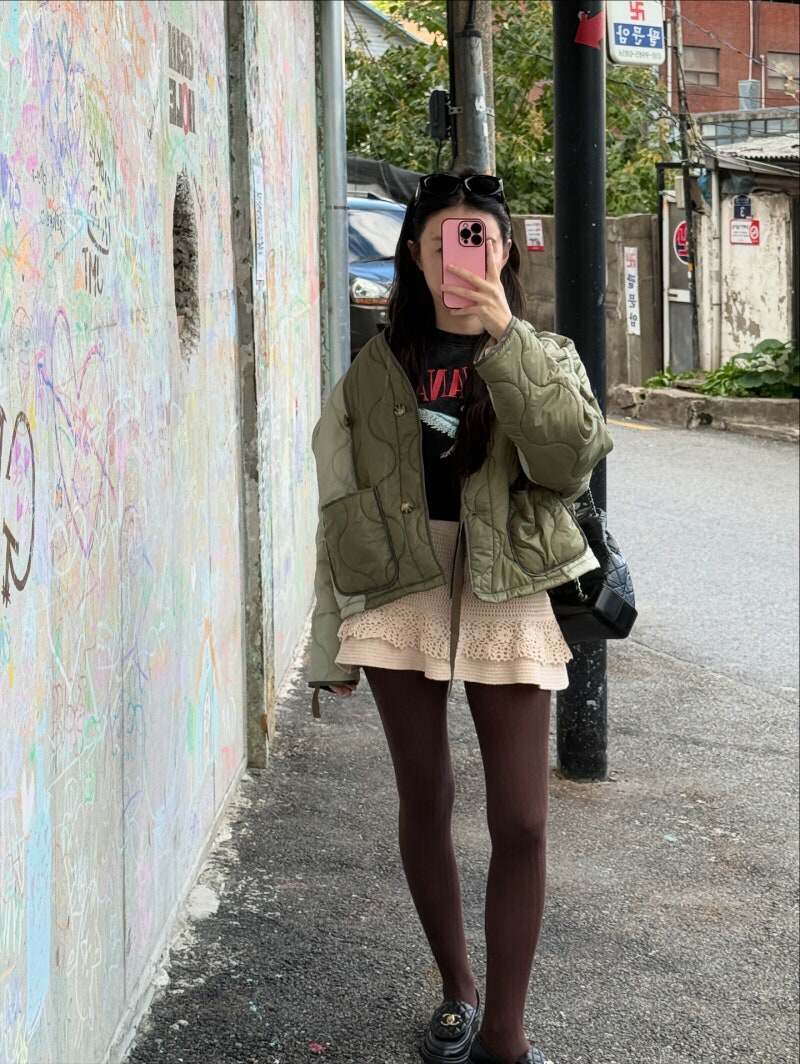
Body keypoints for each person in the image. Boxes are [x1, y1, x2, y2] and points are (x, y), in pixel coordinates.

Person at [307, 171, 614, 1064]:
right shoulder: (374, 370)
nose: (460, 255)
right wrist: (330, 645)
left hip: (504, 578)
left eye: (478, 237)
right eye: (444, 238)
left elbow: (569, 461)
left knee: (522, 819)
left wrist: (505, 337)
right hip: (399, 582)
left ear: (505, 251)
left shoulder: (543, 352)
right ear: (414, 252)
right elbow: (338, 507)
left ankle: (506, 1037)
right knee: (426, 796)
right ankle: (458, 990)